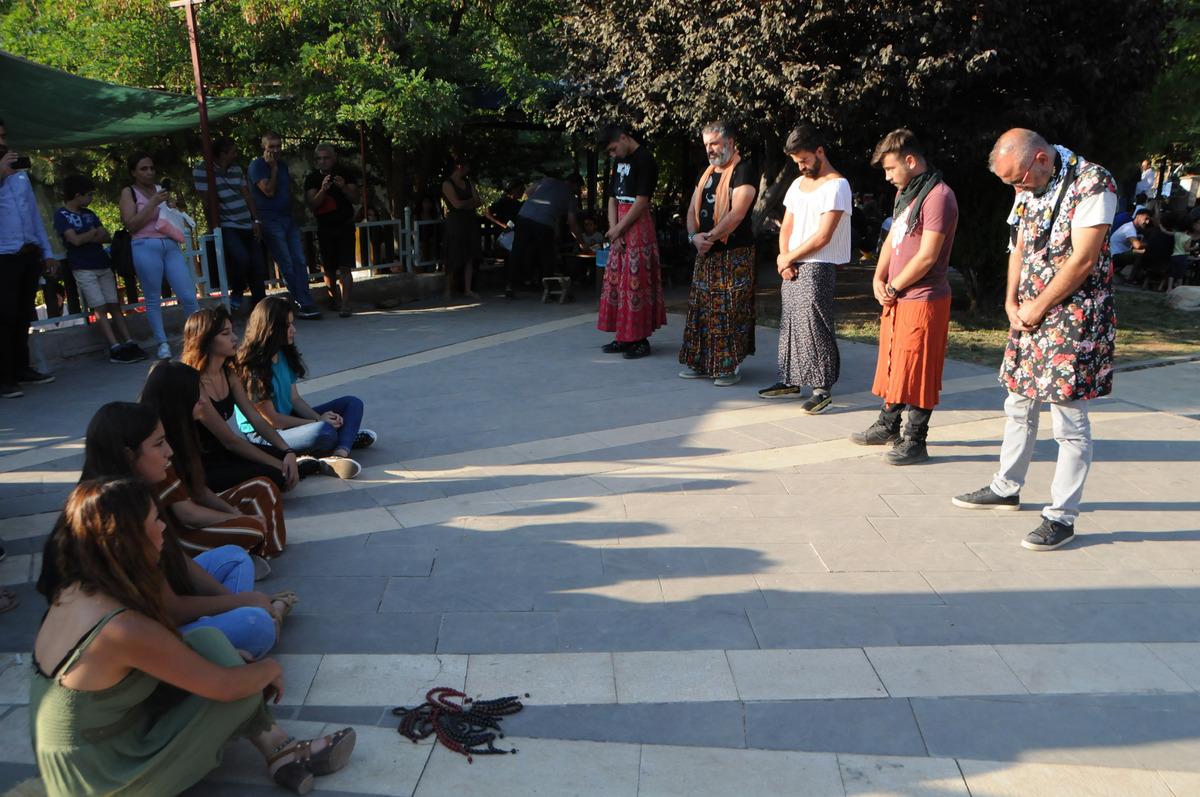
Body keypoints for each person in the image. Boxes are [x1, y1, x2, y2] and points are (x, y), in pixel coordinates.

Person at [31, 478, 355, 796]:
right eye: (155, 520)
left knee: (209, 641)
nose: (163, 528)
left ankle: (279, 750)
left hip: (97, 747)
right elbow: (225, 687)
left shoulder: (75, 589)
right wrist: (269, 669)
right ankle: (282, 748)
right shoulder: (120, 628)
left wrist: (231, 665)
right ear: (126, 541)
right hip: (104, 781)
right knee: (238, 686)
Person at [953, 129, 1117, 552]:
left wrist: (1038, 305)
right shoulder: (1028, 185)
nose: (1015, 188)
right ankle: (1006, 487)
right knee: (1019, 402)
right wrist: (1010, 300)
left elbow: (1083, 259)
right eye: (1009, 183)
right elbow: (1020, 247)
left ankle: (1061, 517)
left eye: (1019, 180)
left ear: (1042, 159)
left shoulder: (1093, 183)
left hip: (1073, 318)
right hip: (1029, 315)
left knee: (1069, 422)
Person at [71, 400, 294, 655]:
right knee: (258, 625)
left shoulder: (135, 489)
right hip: (143, 636)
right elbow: (170, 609)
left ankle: (216, 634)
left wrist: (233, 603)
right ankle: (220, 637)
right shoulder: (112, 513)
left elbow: (176, 555)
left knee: (235, 557)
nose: (168, 452)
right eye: (158, 444)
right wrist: (240, 603)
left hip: (164, 612)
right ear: (126, 454)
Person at [851, 129, 958, 465]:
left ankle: (915, 439)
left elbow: (927, 256)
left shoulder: (937, 196)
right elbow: (893, 239)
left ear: (910, 161)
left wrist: (895, 286)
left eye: (891, 169)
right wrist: (878, 277)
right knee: (897, 364)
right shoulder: (908, 194)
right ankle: (889, 424)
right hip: (899, 297)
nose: (887, 177)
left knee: (919, 369)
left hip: (924, 297)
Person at [141, 361, 290, 560]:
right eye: (196, 395)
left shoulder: (184, 430)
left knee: (264, 487)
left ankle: (261, 553)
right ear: (178, 400)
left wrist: (233, 512)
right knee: (251, 528)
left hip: (194, 514)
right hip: (174, 536)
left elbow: (200, 491)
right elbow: (187, 515)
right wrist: (237, 518)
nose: (203, 400)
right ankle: (242, 554)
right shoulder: (157, 445)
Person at [758, 124, 851, 413]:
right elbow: (787, 224)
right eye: (796, 161)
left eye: (804, 159)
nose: (800, 166)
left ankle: (822, 387)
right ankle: (791, 378)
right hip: (793, 261)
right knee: (791, 323)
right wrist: (784, 257)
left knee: (815, 324)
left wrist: (789, 257)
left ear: (819, 151)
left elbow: (824, 235)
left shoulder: (837, 185)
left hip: (819, 264)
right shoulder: (798, 185)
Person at [235, 296, 373, 479]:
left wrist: (319, 417)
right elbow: (273, 421)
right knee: (324, 432)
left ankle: (339, 453)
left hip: (289, 419)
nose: (294, 330)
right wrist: (319, 423)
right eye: (288, 326)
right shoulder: (251, 366)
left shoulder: (283, 353)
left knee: (352, 404)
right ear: (270, 329)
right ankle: (341, 440)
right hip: (265, 435)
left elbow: (295, 400)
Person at [181, 305, 302, 492]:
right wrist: (278, 464)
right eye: (225, 334)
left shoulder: (228, 373)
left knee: (283, 460)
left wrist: (286, 450)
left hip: (225, 452)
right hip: (203, 463)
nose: (235, 338)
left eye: (232, 332)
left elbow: (256, 419)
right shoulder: (194, 381)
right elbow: (230, 440)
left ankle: (304, 463)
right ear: (205, 340)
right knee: (276, 473)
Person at [679, 120, 758, 387]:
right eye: (706, 145)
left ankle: (727, 367)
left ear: (730, 142)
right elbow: (692, 209)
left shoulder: (744, 170)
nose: (710, 150)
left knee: (728, 310)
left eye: (714, 143)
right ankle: (699, 363)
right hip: (705, 252)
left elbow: (737, 214)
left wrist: (709, 238)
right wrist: (694, 238)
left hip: (733, 254)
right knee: (701, 309)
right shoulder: (706, 173)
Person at [53, 174, 146, 364]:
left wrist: (88, 236)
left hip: (102, 263)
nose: (90, 199)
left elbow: (105, 235)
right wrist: (92, 234)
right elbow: (74, 240)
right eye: (88, 195)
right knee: (100, 306)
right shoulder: (61, 215)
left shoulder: (90, 213)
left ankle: (128, 340)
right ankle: (114, 345)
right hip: (83, 266)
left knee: (114, 303)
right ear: (77, 195)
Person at [118, 151, 201, 360]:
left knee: (188, 295)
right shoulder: (129, 193)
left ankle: (198, 337)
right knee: (153, 297)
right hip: (145, 244)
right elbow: (132, 225)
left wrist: (172, 208)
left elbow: (172, 218)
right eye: (143, 169)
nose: (149, 172)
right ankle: (162, 342)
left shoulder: (159, 190)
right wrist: (153, 203)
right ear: (133, 173)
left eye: (151, 168)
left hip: (170, 244)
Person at [0, 118, 58, 398]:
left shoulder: (19, 173)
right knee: (4, 316)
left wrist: (46, 252)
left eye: (3, 136)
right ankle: (4, 377)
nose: (2, 142)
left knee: (24, 314)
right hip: (3, 257)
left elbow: (34, 216)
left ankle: (22, 368)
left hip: (27, 253)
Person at [596, 123, 665, 359]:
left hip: (637, 223)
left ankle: (639, 338)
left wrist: (618, 229)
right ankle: (623, 336)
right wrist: (613, 230)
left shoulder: (645, 159)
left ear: (624, 137)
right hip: (620, 225)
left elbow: (641, 201)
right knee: (617, 281)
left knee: (636, 281)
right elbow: (612, 198)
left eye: (614, 149)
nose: (614, 154)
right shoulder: (619, 160)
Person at [248, 132, 323, 320]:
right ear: (263, 148)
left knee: (299, 260)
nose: (275, 150)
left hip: (287, 218)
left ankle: (306, 299)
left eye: (278, 146)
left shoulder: (283, 166)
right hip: (270, 220)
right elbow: (269, 191)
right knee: (287, 262)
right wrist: (272, 168)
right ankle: (301, 302)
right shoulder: (257, 166)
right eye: (271, 147)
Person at [193, 137, 268, 312]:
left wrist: (255, 220)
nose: (236, 154)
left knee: (257, 265)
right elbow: (205, 199)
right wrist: (213, 225)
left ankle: (261, 308)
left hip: (245, 222)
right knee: (241, 258)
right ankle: (238, 291)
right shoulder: (202, 170)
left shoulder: (236, 168)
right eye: (233, 151)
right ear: (222, 154)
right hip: (227, 224)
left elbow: (247, 195)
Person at [507, 173, 587, 296]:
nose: (579, 191)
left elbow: (528, 192)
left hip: (524, 216)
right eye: (579, 188)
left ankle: (510, 285)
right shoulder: (571, 197)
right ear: (574, 184)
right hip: (544, 223)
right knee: (547, 255)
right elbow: (572, 223)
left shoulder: (548, 181)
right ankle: (547, 288)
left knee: (518, 250)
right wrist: (582, 242)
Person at [303, 144, 359, 317]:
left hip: (344, 225)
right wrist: (323, 190)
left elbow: (356, 198)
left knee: (345, 267)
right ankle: (334, 300)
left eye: (326, 158)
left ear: (334, 157)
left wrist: (343, 187)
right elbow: (313, 204)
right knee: (328, 267)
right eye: (319, 158)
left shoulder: (346, 173)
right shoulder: (312, 178)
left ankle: (346, 304)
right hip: (325, 227)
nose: (323, 161)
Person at [1110, 206, 1151, 280]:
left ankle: (1116, 271)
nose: (1147, 222)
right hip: (1114, 256)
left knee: (1137, 251)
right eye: (1146, 219)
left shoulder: (1131, 227)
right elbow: (1137, 245)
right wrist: (1149, 244)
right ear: (1138, 216)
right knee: (1140, 253)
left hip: (1117, 254)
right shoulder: (1129, 228)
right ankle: (1131, 278)